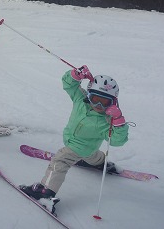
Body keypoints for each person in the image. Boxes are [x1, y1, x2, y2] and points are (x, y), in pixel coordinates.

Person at [20, 65, 129, 213]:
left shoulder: (106, 121)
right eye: (95, 99)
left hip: (75, 148)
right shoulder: (80, 99)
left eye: (104, 102)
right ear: (88, 94)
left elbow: (117, 140)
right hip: (89, 149)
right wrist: (75, 75)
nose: (98, 105)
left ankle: (45, 192)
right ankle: (101, 163)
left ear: (113, 103)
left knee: (60, 161)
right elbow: (69, 84)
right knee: (91, 155)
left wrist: (118, 121)